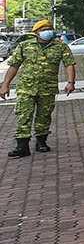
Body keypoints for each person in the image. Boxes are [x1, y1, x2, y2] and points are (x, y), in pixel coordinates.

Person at [2, 20, 75, 157]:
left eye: (49, 28)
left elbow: (69, 64)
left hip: (48, 88)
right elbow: (14, 66)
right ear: (36, 33)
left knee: (44, 116)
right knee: (23, 116)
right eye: (43, 29)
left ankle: (41, 142)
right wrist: (5, 84)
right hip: (26, 88)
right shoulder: (25, 45)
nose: (47, 31)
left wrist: (70, 82)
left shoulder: (60, 46)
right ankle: (22, 146)